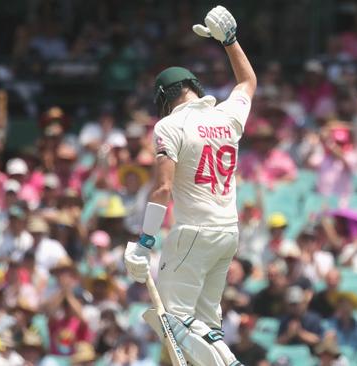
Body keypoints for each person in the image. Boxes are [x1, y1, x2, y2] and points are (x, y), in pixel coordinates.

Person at [123, 8, 256, 364]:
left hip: (193, 232)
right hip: (228, 233)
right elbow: (247, 83)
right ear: (195, 88)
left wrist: (144, 243)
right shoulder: (227, 117)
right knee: (205, 325)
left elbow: (163, 189)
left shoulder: (169, 127)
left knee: (170, 317)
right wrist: (230, 42)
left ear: (165, 99)